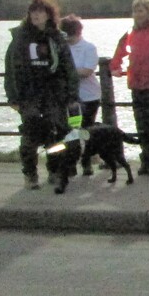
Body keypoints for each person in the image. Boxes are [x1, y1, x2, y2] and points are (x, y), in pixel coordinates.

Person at [5, 0, 78, 188]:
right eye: (33, 12)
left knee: (56, 135)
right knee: (30, 135)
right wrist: (13, 97)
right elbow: (11, 69)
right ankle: (30, 174)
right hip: (29, 95)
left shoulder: (57, 38)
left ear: (48, 15)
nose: (36, 15)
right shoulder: (20, 38)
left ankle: (54, 170)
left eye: (40, 12)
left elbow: (68, 67)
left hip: (54, 94)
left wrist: (72, 94)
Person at [110, 0, 149, 175]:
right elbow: (120, 50)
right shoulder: (131, 33)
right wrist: (115, 67)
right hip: (137, 85)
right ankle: (147, 160)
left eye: (141, 10)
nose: (137, 14)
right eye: (135, 11)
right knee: (142, 125)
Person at [59, 14, 101, 177]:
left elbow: (87, 71)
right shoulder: (61, 49)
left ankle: (87, 161)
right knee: (71, 130)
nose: (68, 38)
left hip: (89, 96)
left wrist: (66, 73)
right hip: (69, 97)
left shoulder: (88, 48)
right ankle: (71, 163)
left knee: (86, 130)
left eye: (70, 33)